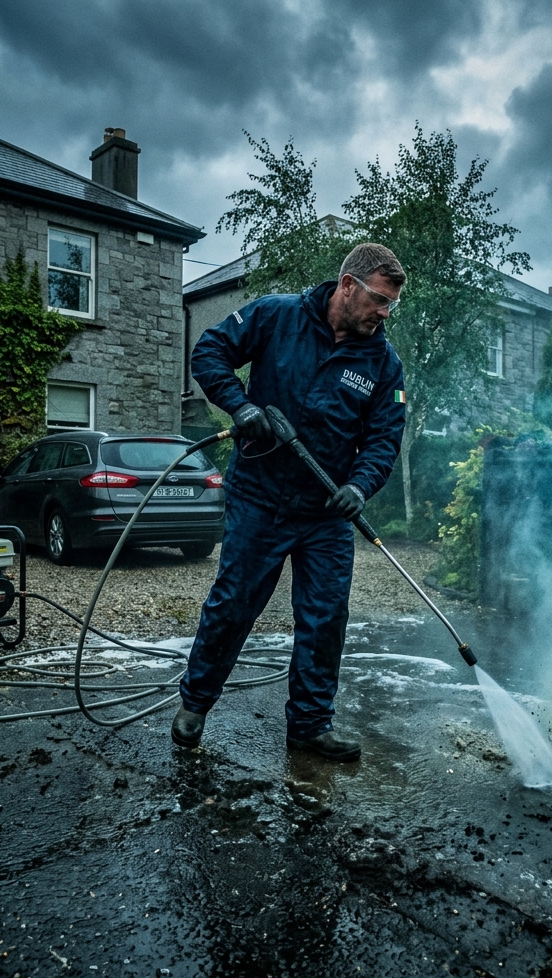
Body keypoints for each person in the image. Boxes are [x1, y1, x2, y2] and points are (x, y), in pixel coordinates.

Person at [172, 243, 407, 761]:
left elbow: (385, 438)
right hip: (259, 497)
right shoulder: (277, 316)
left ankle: (310, 726)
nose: (385, 313)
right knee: (234, 604)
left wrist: (359, 487)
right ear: (348, 285)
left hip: (326, 513)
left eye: (391, 304)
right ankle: (194, 706)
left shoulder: (382, 362)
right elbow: (209, 351)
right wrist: (240, 406)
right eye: (379, 299)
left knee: (325, 618)